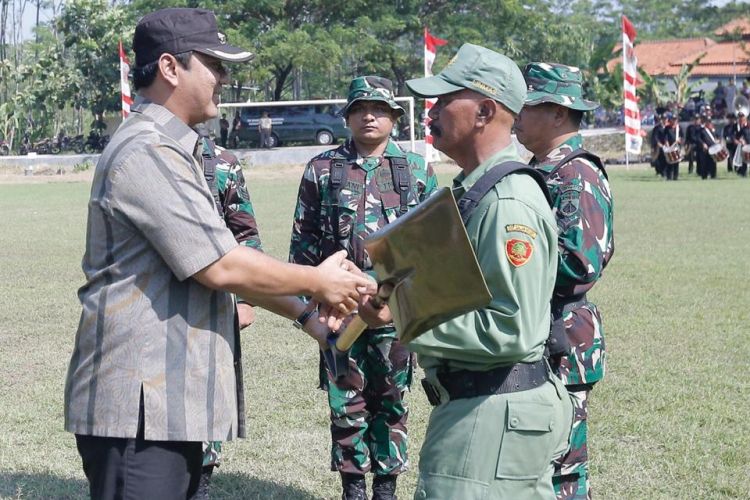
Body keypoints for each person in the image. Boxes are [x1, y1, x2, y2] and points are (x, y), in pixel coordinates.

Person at [63, 8, 374, 500]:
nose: (223, 78)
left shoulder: (174, 149)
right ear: (170, 68)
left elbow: (222, 256)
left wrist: (308, 318)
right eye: (213, 63)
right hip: (140, 411)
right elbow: (222, 266)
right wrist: (318, 282)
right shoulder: (148, 150)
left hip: (165, 405)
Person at [402, 43, 572, 499]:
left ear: (484, 112)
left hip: (489, 415)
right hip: (486, 409)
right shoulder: (480, 190)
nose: (431, 111)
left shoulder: (506, 202)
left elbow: (510, 327)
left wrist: (404, 316)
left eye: (443, 100)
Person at [289, 75, 437, 500]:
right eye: (359, 109)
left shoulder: (415, 169)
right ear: (348, 117)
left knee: (391, 402)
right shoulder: (322, 170)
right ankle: (353, 488)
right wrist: (310, 308)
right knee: (346, 404)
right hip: (341, 312)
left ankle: (386, 490)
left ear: (393, 116)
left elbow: (428, 247)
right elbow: (304, 244)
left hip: (395, 312)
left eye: (378, 109)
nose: (368, 116)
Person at [514, 62, 615, 499]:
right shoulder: (539, 168)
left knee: (562, 472)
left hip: (560, 339)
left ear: (558, 112)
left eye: (527, 105)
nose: (515, 114)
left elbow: (580, 263)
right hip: (535, 334)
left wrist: (505, 273)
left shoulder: (575, 173)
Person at [697, 115, 718, 180]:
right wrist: (703, 144)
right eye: (708, 122)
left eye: (710, 122)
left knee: (713, 163)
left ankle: (713, 175)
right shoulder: (701, 130)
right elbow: (698, 138)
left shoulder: (712, 130)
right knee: (705, 163)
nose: (709, 123)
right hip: (705, 149)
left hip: (713, 148)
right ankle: (704, 176)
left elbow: (716, 137)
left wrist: (717, 141)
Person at [736, 111, 750, 177]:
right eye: (740, 117)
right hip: (746, 146)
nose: (741, 118)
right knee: (744, 160)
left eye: (742, 117)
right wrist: (741, 140)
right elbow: (738, 136)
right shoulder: (743, 128)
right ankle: (743, 174)